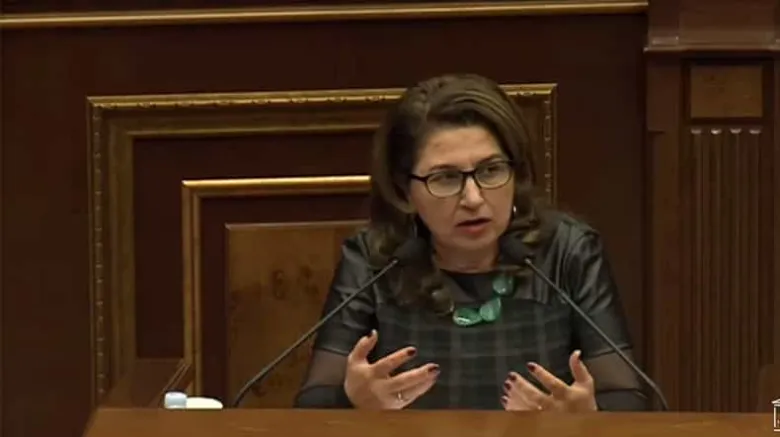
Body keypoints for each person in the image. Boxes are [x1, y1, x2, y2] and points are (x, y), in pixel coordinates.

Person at [292, 73, 650, 411]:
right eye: (446, 178)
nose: (474, 198)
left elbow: (630, 399)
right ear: (404, 189)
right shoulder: (375, 260)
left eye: (491, 170)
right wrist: (352, 401)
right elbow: (311, 404)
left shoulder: (566, 252)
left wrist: (589, 415)